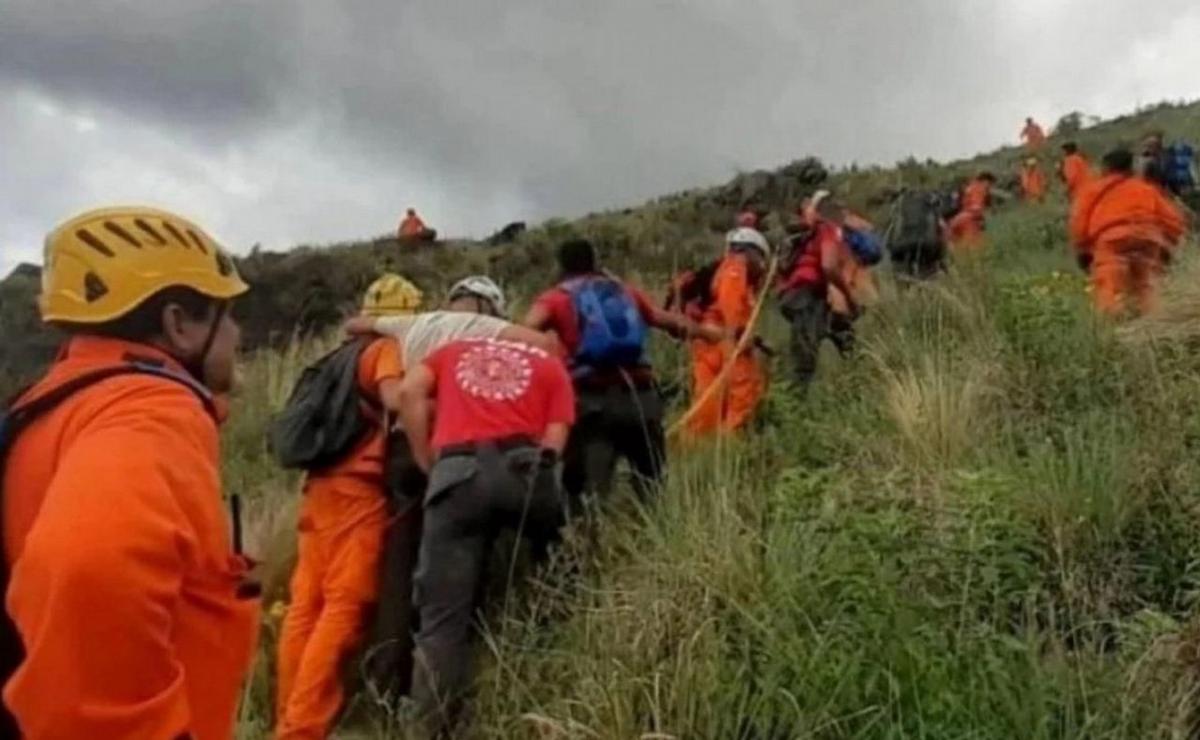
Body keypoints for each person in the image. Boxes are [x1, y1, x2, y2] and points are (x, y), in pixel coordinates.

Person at [0, 206, 259, 739]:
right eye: (226, 312)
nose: (237, 333)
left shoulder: (56, 403)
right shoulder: (151, 409)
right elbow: (88, 565)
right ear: (179, 325)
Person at [398, 334, 575, 733]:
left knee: (442, 618)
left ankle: (432, 728)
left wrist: (427, 461)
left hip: (457, 469)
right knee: (560, 577)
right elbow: (555, 441)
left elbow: (409, 391)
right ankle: (552, 700)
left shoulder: (454, 351)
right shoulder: (552, 365)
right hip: (524, 467)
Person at [275, 273, 423, 740]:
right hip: (357, 492)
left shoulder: (336, 355)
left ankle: (286, 711)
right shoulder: (384, 350)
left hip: (318, 489)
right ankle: (304, 727)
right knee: (346, 604)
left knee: (305, 604)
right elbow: (394, 398)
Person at [524, 239, 724, 499]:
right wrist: (708, 333)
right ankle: (659, 531)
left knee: (590, 494)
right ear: (594, 261)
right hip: (642, 399)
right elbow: (668, 321)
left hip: (592, 403)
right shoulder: (624, 291)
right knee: (652, 483)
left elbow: (525, 330)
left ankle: (590, 536)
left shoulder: (555, 298)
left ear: (561, 265)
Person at [1070, 148, 1187, 317]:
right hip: (1148, 239)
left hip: (1112, 241)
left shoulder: (1092, 190)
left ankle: (1113, 330)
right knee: (1146, 286)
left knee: (1110, 286)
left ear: (1106, 167)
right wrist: (1168, 247)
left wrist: (1082, 249)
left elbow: (1079, 221)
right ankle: (1154, 326)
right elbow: (1174, 222)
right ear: (1131, 168)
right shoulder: (1146, 189)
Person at [687, 227, 773, 435]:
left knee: (708, 401)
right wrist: (739, 336)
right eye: (761, 259)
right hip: (727, 342)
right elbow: (731, 305)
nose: (762, 267)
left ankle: (698, 448)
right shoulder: (736, 268)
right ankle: (732, 443)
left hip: (709, 342)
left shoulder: (725, 270)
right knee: (744, 394)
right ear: (752, 251)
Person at [776, 194, 860, 389]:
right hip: (808, 296)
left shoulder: (806, 235)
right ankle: (795, 408)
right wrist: (849, 296)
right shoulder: (827, 230)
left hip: (793, 297)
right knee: (804, 366)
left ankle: (857, 376)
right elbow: (829, 267)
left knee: (840, 331)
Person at [947, 172, 997, 250]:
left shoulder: (971, 186)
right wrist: (981, 222)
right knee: (976, 249)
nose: (990, 187)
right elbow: (976, 209)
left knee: (960, 247)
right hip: (969, 219)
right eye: (990, 184)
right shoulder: (980, 189)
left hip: (958, 219)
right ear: (985, 181)